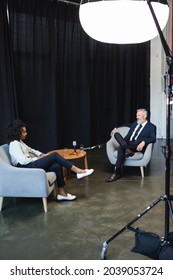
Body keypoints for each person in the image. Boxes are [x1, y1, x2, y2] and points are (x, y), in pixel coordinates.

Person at [6, 120, 94, 201]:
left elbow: (31, 150)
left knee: (56, 166)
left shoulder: (19, 142)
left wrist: (41, 155)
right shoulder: (14, 144)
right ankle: (78, 171)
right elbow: (22, 161)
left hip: (29, 164)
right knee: (55, 155)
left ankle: (61, 193)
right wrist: (38, 158)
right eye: (24, 132)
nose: (26, 134)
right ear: (17, 133)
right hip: (25, 168)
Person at [105, 108, 156, 183]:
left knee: (120, 148)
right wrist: (116, 128)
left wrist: (144, 142)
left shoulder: (151, 127)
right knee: (116, 134)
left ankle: (116, 173)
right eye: (136, 115)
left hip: (137, 145)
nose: (137, 117)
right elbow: (126, 125)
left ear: (144, 116)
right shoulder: (136, 123)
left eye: (138, 115)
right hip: (128, 143)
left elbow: (153, 138)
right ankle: (127, 150)